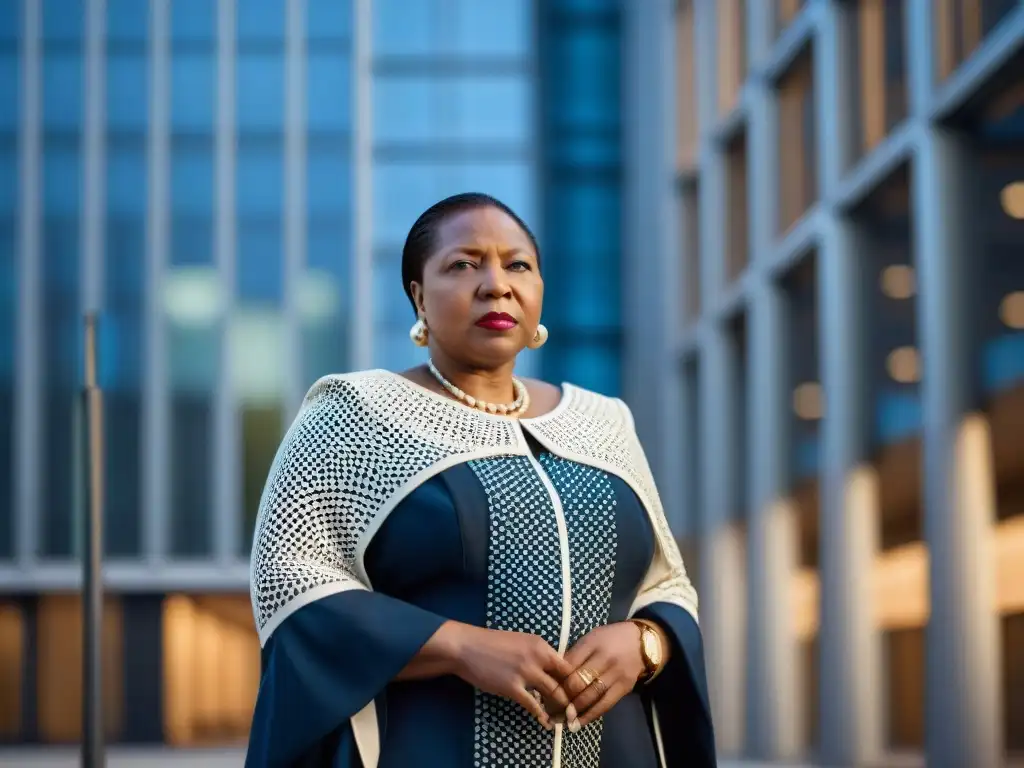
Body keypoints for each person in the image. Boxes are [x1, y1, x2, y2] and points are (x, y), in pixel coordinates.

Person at [245, 193, 716, 767]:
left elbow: (668, 584)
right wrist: (461, 646)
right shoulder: (356, 411)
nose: (496, 284)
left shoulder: (605, 420)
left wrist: (647, 643)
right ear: (418, 294)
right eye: (464, 265)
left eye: (517, 264)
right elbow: (291, 583)